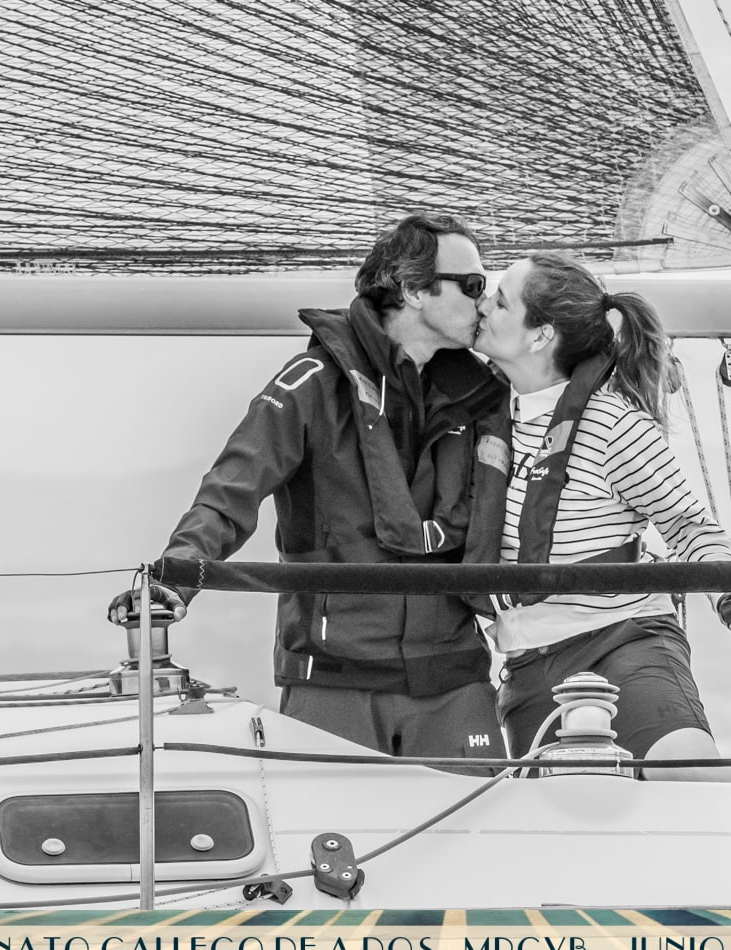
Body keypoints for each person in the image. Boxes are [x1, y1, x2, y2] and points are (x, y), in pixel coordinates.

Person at [108, 213, 508, 772]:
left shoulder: (486, 395)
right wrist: (172, 581)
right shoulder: (310, 384)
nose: (484, 300)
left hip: (456, 682)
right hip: (333, 686)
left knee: (487, 829)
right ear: (414, 290)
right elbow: (231, 490)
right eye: (472, 284)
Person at [465, 250, 731, 781]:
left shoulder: (614, 425)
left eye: (500, 301)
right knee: (564, 816)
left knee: (691, 779)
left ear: (540, 336)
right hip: (528, 663)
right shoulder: (482, 422)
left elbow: (689, 526)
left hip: (623, 640)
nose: (483, 306)